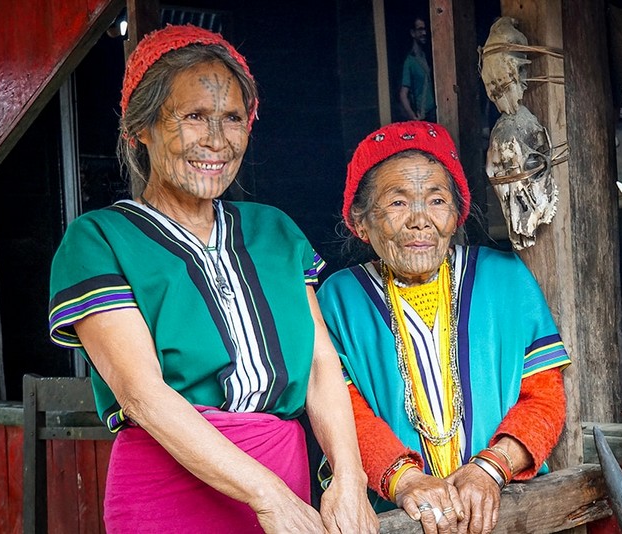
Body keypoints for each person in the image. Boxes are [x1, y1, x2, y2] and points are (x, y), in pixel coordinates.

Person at [47, 24, 377, 534]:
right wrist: (268, 497)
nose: (217, 140)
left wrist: (349, 479)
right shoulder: (99, 240)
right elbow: (141, 393)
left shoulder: (275, 231)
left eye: (232, 118)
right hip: (169, 490)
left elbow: (318, 367)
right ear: (141, 127)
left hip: (286, 477)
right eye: (195, 116)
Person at [317, 121, 571, 534]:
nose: (420, 220)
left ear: (456, 215)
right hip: (395, 517)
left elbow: (543, 398)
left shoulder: (505, 279)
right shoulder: (338, 299)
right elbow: (341, 412)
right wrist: (406, 480)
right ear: (361, 223)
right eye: (397, 203)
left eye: (436, 201)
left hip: (507, 510)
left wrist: (492, 468)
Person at [399, 17, 437, 122]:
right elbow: (403, 95)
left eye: (424, 29)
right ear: (413, 33)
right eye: (420, 29)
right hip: (424, 115)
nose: (424, 33)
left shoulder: (427, 56)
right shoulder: (409, 62)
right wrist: (413, 117)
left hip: (435, 111)